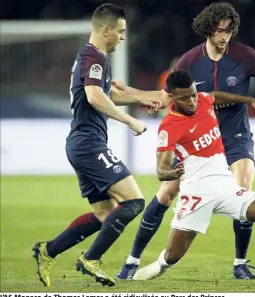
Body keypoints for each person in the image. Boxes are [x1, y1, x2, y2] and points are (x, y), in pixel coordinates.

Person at [116, 2, 255, 280]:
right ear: (208, 30)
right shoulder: (189, 60)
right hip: (197, 143)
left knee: (244, 185)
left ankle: (240, 263)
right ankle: (132, 261)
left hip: (235, 135)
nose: (224, 36)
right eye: (219, 31)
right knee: (165, 193)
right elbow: (167, 97)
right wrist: (133, 93)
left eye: (228, 30)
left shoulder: (246, 56)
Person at [31, 3, 160, 288]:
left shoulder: (89, 57)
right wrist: (130, 121)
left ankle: (47, 251)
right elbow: (94, 97)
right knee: (134, 201)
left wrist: (139, 99)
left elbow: (104, 93)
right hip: (88, 143)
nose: (123, 37)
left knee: (105, 213)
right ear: (106, 30)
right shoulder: (94, 59)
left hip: (81, 143)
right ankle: (91, 259)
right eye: (121, 31)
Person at [132, 70, 255, 282]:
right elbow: (160, 170)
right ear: (172, 98)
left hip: (225, 186)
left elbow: (215, 96)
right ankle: (159, 266)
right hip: (196, 193)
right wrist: (172, 173)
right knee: (173, 256)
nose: (192, 101)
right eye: (185, 98)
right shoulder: (169, 127)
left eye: (193, 94)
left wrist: (248, 100)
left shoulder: (202, 100)